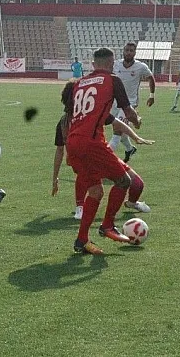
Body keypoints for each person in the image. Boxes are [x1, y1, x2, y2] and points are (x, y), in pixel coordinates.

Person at [66, 47, 141, 255]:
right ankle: (107, 225)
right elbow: (128, 111)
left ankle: (81, 240)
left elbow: (76, 113)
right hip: (92, 142)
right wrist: (137, 121)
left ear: (93, 64)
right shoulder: (113, 80)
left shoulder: (79, 83)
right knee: (124, 181)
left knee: (96, 191)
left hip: (73, 141)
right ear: (111, 63)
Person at [53, 82, 154, 220]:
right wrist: (55, 178)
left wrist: (135, 138)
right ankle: (82, 209)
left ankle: (131, 203)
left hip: (103, 156)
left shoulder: (92, 114)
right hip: (85, 161)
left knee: (137, 184)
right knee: (90, 181)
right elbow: (59, 151)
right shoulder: (64, 123)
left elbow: (117, 123)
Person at [110, 42, 155, 163]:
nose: (129, 52)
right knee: (121, 127)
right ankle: (130, 149)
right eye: (127, 50)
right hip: (114, 102)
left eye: (131, 51)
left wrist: (152, 96)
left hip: (129, 103)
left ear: (135, 53)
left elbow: (151, 77)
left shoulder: (141, 67)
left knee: (117, 131)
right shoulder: (116, 65)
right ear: (123, 51)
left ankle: (103, 163)